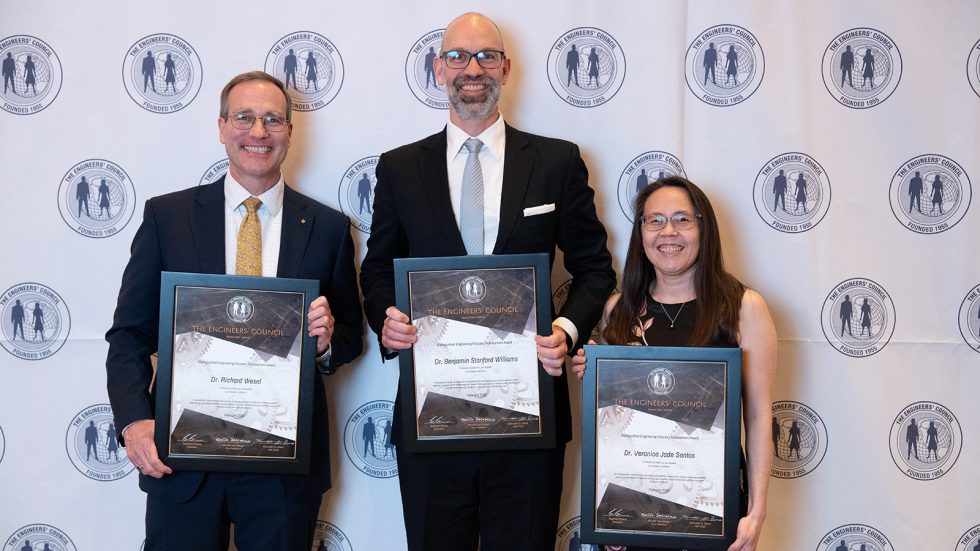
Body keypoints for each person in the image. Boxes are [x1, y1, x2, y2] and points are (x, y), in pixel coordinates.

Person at [359, 12, 615, 551]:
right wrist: (387, 320)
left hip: (529, 417)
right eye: (457, 57)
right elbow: (378, 268)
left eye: (485, 57)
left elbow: (595, 269)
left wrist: (566, 331)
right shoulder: (400, 168)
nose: (471, 69)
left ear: (506, 68)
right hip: (433, 416)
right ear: (437, 69)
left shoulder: (556, 162)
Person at [104, 71, 363, 551]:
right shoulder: (168, 218)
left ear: (290, 131)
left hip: (284, 464)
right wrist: (135, 422)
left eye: (272, 120)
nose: (258, 132)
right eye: (244, 117)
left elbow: (352, 337)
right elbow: (128, 336)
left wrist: (328, 343)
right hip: (182, 459)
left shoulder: (326, 227)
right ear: (221, 125)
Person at [571, 177, 776, 551]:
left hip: (712, 506)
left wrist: (757, 510)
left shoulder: (743, 308)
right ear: (641, 232)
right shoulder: (619, 309)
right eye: (655, 220)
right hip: (631, 507)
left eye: (682, 219)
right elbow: (613, 425)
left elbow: (760, 415)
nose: (668, 232)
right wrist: (594, 377)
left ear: (703, 228)